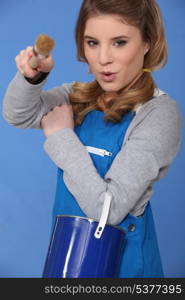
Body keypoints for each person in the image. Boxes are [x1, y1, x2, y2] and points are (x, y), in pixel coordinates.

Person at [2, 0, 182, 278]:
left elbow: (108, 211)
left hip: (123, 267)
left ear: (147, 42)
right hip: (67, 255)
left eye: (119, 42)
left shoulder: (158, 114)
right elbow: (19, 115)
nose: (103, 58)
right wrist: (32, 79)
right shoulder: (80, 96)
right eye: (92, 43)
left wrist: (62, 136)